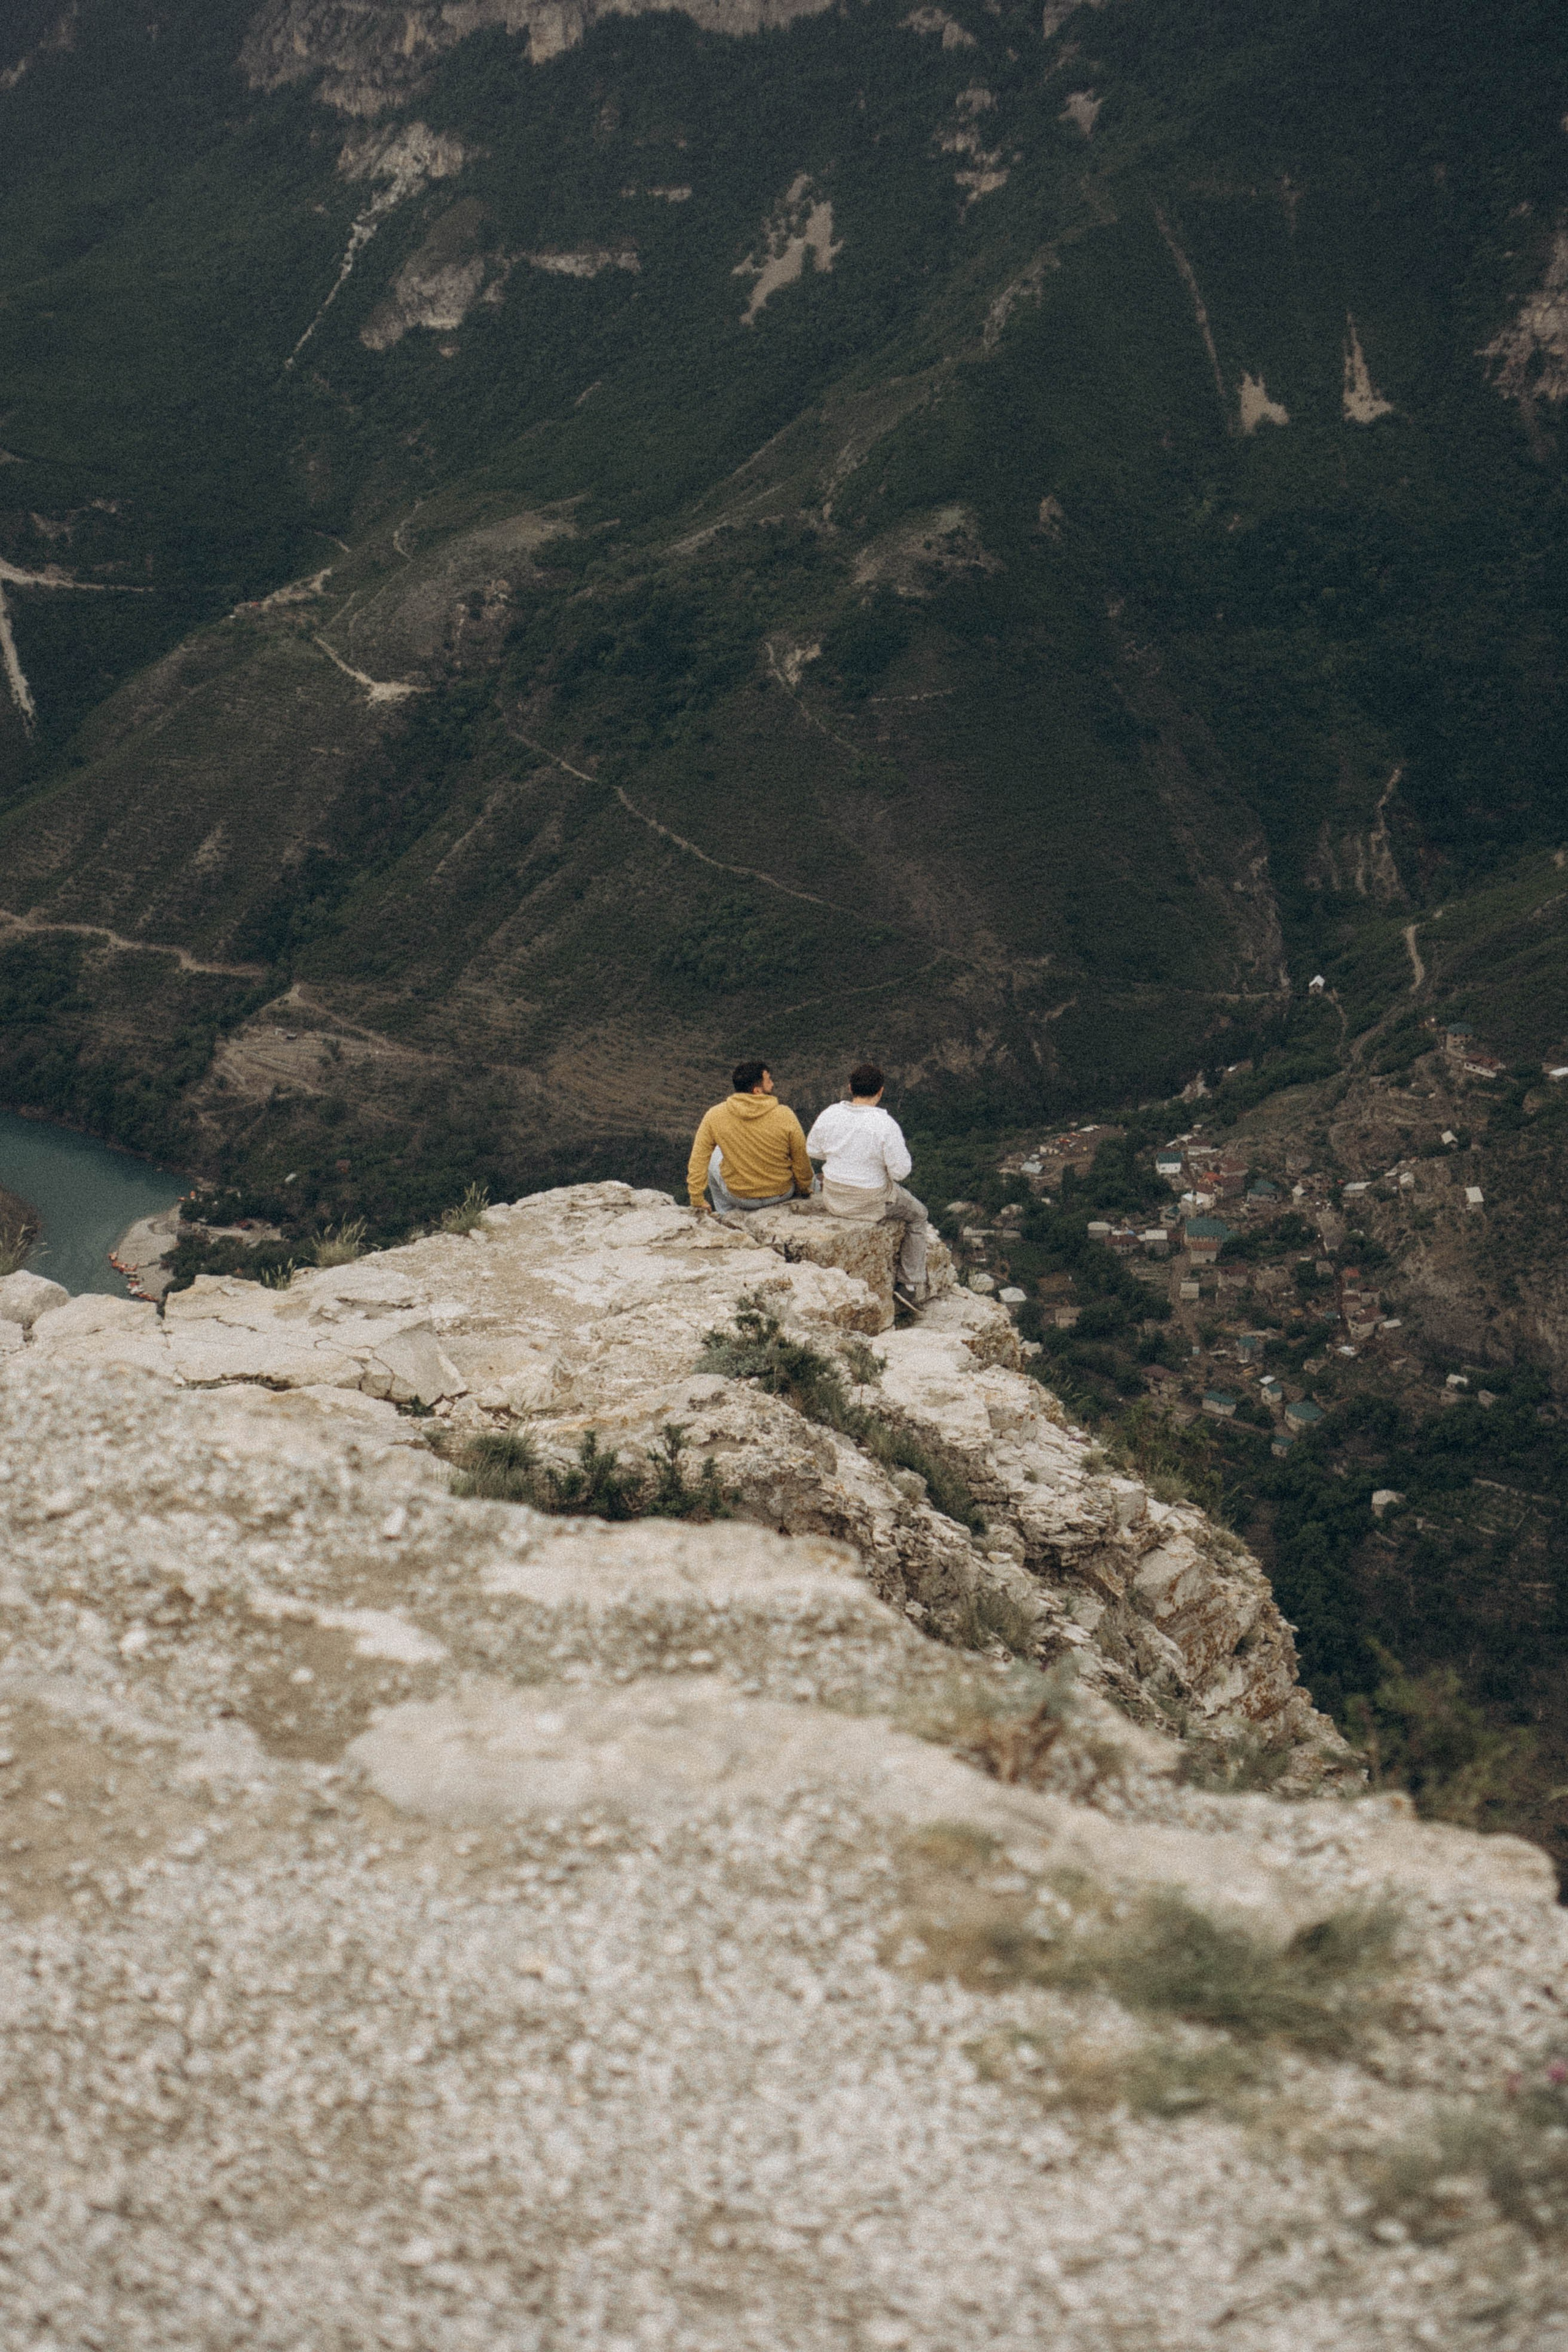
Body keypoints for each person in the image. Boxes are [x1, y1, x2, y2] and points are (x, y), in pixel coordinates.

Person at [806, 1062, 932, 1313]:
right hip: (870, 1203)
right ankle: (909, 1285)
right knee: (919, 1215)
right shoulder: (885, 1124)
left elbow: (813, 1149)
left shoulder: (830, 1113)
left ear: (850, 1088)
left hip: (834, 1198)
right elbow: (901, 1172)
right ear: (881, 1091)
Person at [688, 1060, 813, 1217]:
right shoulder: (785, 1114)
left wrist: (696, 1198)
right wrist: (803, 1189)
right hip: (781, 1194)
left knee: (713, 1156)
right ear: (757, 1091)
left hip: (740, 1198)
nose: (773, 1084)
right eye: (769, 1081)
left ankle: (726, 1215)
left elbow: (698, 1159)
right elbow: (801, 1159)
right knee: (803, 1159)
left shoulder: (715, 1115)